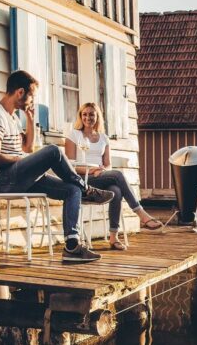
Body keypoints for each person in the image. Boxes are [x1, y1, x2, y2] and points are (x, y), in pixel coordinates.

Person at [0, 71, 114, 263]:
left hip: (20, 179)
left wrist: (30, 120)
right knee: (53, 151)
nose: (33, 100)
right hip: (1, 181)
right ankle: (87, 189)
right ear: (21, 92)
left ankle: (72, 247)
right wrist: (20, 160)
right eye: (32, 95)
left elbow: (27, 148)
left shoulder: (13, 118)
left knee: (72, 190)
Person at [64, 102, 162, 251]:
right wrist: (91, 171)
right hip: (83, 179)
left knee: (116, 191)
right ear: (80, 116)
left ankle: (113, 238)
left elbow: (108, 164)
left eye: (91, 114)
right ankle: (141, 214)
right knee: (118, 175)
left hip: (100, 176)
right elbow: (70, 166)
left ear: (97, 117)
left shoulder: (103, 138)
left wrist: (102, 170)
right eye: (84, 114)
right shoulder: (74, 135)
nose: (88, 117)